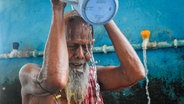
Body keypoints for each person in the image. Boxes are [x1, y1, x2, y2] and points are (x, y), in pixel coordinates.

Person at [19, 0, 145, 104]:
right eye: (72, 46)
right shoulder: (30, 75)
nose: (80, 55)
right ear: (58, 46)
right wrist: (57, 8)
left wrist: (102, 14)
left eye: (86, 47)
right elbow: (56, 80)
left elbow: (135, 73)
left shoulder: (93, 77)